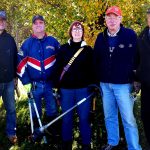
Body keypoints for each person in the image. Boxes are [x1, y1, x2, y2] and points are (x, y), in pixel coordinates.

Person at [94, 6, 142, 150]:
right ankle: (112, 142)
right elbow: (96, 60)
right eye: (109, 17)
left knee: (128, 119)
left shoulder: (130, 35)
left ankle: (134, 147)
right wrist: (96, 82)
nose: (112, 20)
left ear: (120, 19)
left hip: (123, 85)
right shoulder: (100, 37)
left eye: (115, 16)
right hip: (105, 85)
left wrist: (137, 79)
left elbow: (137, 58)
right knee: (109, 117)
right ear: (105, 20)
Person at [17, 15, 60, 146]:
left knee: (52, 109)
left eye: (41, 23)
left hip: (50, 84)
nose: (38, 25)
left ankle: (53, 133)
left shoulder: (53, 42)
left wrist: (58, 80)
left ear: (44, 25)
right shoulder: (26, 44)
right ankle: (38, 134)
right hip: (34, 85)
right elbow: (20, 64)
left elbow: (61, 62)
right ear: (32, 26)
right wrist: (26, 82)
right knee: (35, 111)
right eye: (35, 23)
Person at [54, 21, 94, 150]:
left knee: (84, 119)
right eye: (74, 29)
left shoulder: (88, 50)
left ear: (83, 33)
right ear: (70, 32)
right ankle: (66, 144)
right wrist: (57, 87)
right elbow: (57, 69)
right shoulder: (63, 49)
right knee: (67, 119)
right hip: (66, 91)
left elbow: (93, 70)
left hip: (84, 90)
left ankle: (86, 145)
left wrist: (94, 86)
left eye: (80, 29)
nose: (77, 31)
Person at [0, 10, 18, 144]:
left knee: (11, 108)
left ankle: (11, 132)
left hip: (9, 81)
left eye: (3, 20)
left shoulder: (10, 39)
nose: (1, 22)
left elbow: (15, 60)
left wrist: (15, 77)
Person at [136, 8, 150, 146]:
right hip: (146, 85)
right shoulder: (142, 36)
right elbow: (137, 59)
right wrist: (136, 78)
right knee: (146, 117)